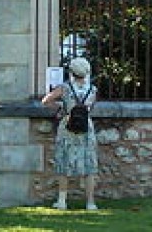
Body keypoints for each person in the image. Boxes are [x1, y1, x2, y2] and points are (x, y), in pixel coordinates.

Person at [41, 56, 99, 211]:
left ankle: (62, 200)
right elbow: (89, 107)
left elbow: (45, 101)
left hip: (67, 125)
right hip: (86, 127)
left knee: (63, 162)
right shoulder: (93, 90)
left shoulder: (64, 88)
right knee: (89, 164)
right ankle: (90, 203)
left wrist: (60, 109)